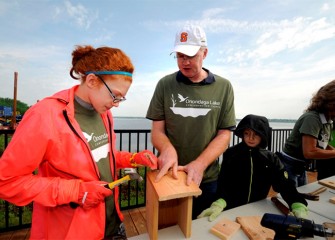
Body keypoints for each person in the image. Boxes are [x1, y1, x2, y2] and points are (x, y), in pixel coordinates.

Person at [0, 45, 158, 239]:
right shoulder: (44, 115)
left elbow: (101, 158)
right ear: (91, 81)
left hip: (113, 224)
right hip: (72, 231)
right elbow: (7, 181)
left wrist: (134, 158)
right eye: (115, 95)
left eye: (121, 98)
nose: (116, 104)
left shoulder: (104, 113)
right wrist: (77, 191)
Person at [146, 24, 236, 219]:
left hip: (207, 177)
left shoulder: (224, 87)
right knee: (167, 230)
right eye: (179, 56)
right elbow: (157, 132)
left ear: (205, 53)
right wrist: (168, 149)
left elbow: (224, 135)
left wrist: (200, 164)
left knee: (202, 227)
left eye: (190, 55)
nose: (184, 62)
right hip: (171, 174)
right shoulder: (164, 84)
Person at [197, 114, 308, 222]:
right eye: (247, 133)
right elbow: (223, 182)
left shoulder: (271, 158)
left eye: (256, 134)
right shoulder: (231, 154)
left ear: (263, 135)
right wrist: (219, 202)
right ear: (242, 134)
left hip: (258, 208)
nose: (250, 138)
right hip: (231, 209)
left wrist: (297, 203)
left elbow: (284, 184)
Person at [277, 80, 335, 187]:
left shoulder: (328, 121)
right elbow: (309, 152)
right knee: (291, 197)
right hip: (289, 164)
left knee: (303, 194)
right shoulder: (312, 118)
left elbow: (324, 145)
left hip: (302, 166)